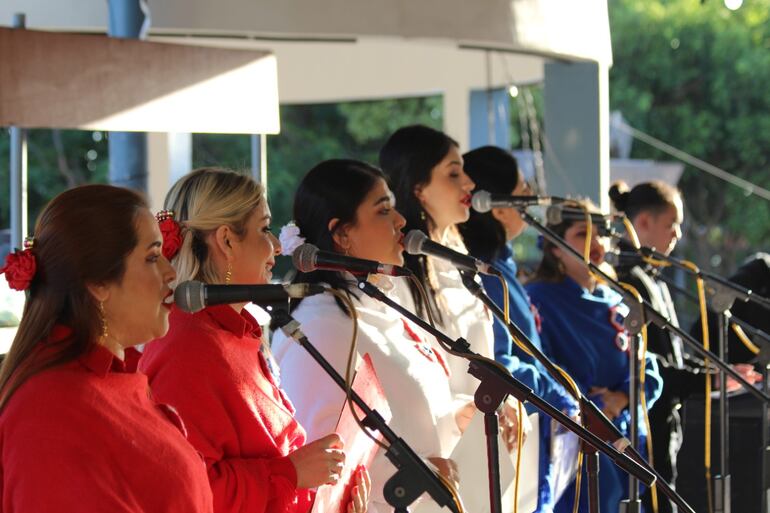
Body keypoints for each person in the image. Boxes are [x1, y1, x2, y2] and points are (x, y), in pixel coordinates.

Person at [139, 168, 369, 513]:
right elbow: (185, 491)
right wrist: (291, 473)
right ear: (227, 240)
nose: (276, 246)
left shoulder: (236, 330)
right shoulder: (186, 344)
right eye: (264, 229)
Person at [272, 159, 470, 513]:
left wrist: (458, 412)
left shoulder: (376, 305)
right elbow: (326, 461)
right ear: (342, 234)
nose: (400, 221)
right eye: (383, 210)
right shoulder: (323, 327)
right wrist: (419, 474)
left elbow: (402, 410)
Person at [0, 184, 213, 512]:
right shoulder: (50, 411)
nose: (170, 272)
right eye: (152, 257)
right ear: (97, 283)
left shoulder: (111, 377)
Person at [379, 126, 525, 503]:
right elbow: (413, 373)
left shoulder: (460, 260)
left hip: (482, 445)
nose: (469, 183)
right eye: (453, 172)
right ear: (417, 187)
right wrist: (459, 409)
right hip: (439, 458)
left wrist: (502, 402)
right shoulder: (401, 276)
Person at [458, 146, 579, 513]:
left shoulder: (502, 266)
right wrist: (556, 392)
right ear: (495, 206)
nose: (530, 197)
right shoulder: (486, 273)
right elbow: (499, 360)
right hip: (509, 436)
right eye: (523, 188)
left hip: (531, 429)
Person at [525, 198, 664, 513]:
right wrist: (595, 404)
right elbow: (543, 372)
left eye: (600, 232)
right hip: (577, 447)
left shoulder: (618, 299)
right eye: (581, 234)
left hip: (627, 446)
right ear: (555, 248)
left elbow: (647, 367)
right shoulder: (538, 299)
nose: (595, 241)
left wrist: (623, 398)